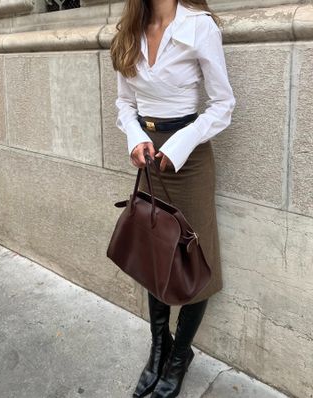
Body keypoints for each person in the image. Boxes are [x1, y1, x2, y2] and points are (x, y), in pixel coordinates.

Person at [110, 0, 236, 397]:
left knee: (194, 258)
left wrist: (179, 145)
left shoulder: (200, 27)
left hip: (190, 157)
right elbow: (124, 104)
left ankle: (180, 356)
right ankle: (159, 347)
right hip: (147, 156)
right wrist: (136, 138)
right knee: (154, 253)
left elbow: (222, 105)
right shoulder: (129, 28)